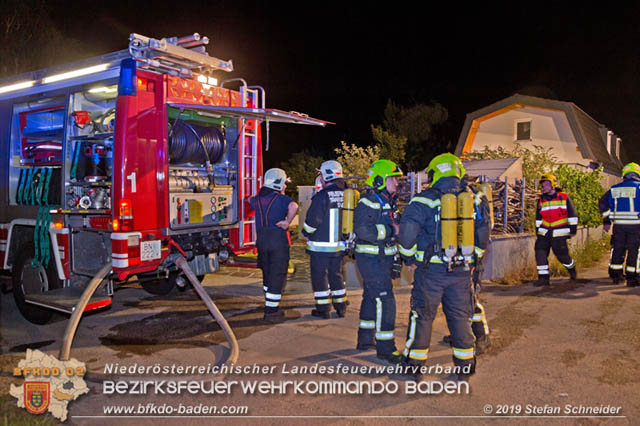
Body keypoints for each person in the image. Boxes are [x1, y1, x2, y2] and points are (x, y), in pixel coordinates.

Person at [397, 153, 490, 382]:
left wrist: (409, 259)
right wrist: (474, 259)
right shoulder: (474, 198)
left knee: (423, 316)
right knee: (460, 317)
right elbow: (484, 230)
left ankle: (414, 365)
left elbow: (407, 234)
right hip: (461, 270)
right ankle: (465, 365)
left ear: (436, 172)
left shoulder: (423, 199)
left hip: (431, 272)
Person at [354, 159, 403, 363]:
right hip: (370, 259)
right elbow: (363, 231)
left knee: (371, 296)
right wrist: (392, 230)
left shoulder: (388, 201)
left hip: (383, 258)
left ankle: (365, 339)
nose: (397, 183)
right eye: (393, 178)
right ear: (381, 179)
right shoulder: (369, 201)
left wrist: (397, 257)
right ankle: (386, 348)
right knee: (386, 299)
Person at [249, 168, 298, 321]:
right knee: (278, 274)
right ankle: (272, 311)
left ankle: (268, 301)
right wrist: (287, 222)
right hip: (277, 240)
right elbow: (294, 206)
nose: (285, 187)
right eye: (283, 184)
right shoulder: (282, 199)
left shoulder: (256, 199)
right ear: (278, 183)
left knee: (267, 271)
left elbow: (248, 200)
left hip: (262, 241)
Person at [302, 160, 348, 319]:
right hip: (339, 247)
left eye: (321, 174)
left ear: (326, 176)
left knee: (320, 276)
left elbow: (312, 222)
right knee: (337, 275)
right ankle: (341, 307)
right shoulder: (348, 194)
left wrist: (305, 232)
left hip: (320, 247)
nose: (320, 178)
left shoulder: (321, 197)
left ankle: (323, 310)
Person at [598, 162, 640, 286]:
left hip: (619, 226)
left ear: (624, 174)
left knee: (618, 249)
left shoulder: (615, 188)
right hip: (636, 226)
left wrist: (606, 220)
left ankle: (616, 276)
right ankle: (632, 278)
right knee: (634, 251)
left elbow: (603, 203)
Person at [533, 173, 578, 286]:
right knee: (540, 253)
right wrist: (538, 231)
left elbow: (572, 215)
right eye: (544, 185)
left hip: (559, 233)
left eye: (547, 184)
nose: (545, 186)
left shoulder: (563, 197)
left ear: (553, 184)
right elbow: (538, 217)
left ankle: (572, 269)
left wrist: (573, 230)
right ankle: (543, 278)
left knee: (562, 256)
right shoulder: (541, 200)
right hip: (544, 232)